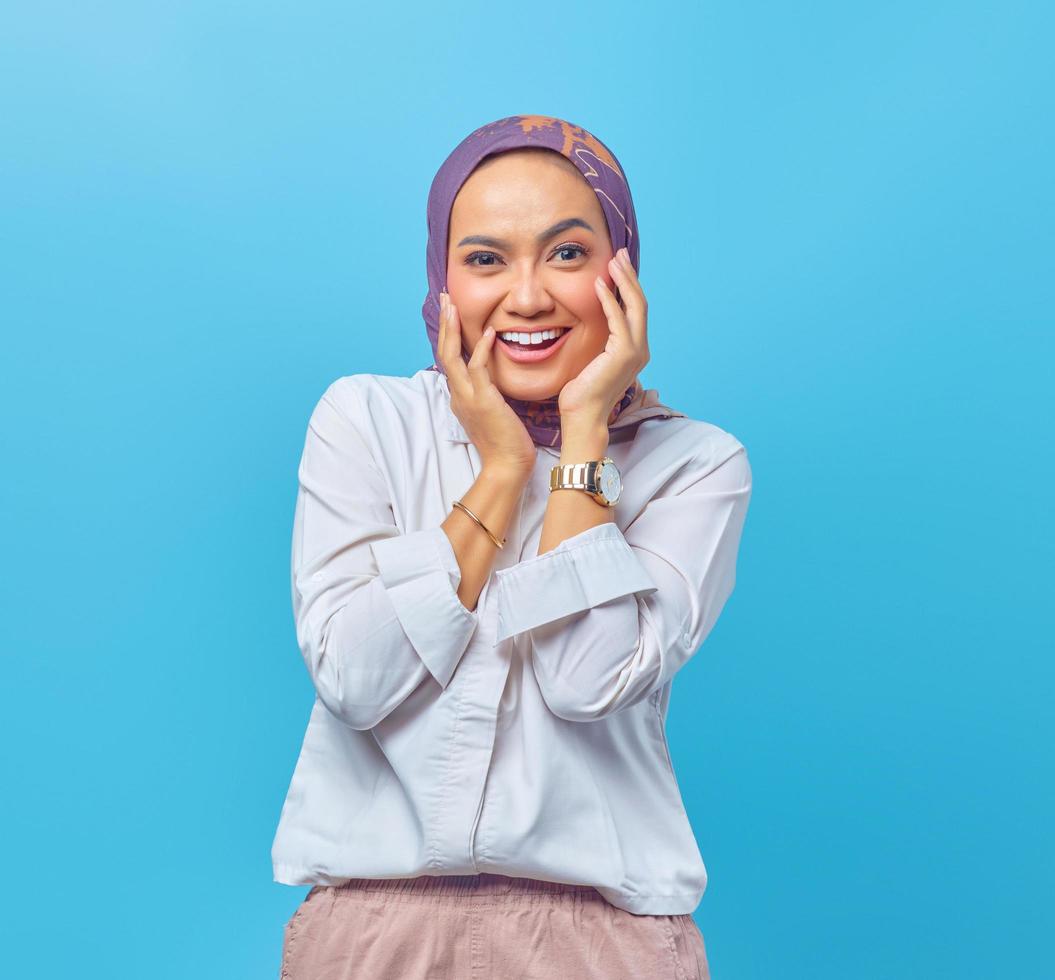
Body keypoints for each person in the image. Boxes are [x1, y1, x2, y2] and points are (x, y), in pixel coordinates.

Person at [271, 114, 750, 979]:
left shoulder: (696, 465)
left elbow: (584, 679)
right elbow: (354, 679)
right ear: (443, 278)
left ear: (622, 270)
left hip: (600, 941)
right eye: (486, 259)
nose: (527, 297)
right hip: (374, 935)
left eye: (566, 254)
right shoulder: (366, 422)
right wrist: (500, 468)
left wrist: (582, 438)